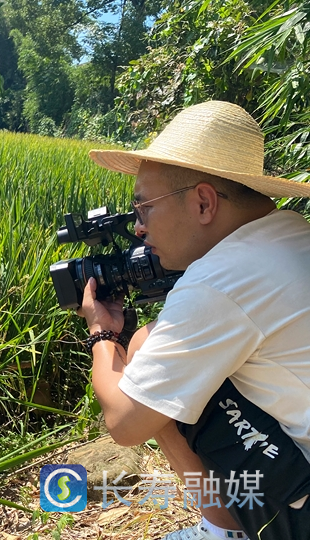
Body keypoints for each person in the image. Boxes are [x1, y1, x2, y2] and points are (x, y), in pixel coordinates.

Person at [79, 100, 310, 540]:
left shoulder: (221, 280)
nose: (139, 229)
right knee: (156, 344)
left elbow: (124, 423)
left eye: (143, 209)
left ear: (204, 202)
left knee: (145, 353)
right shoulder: (291, 232)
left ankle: (225, 532)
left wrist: (103, 332)